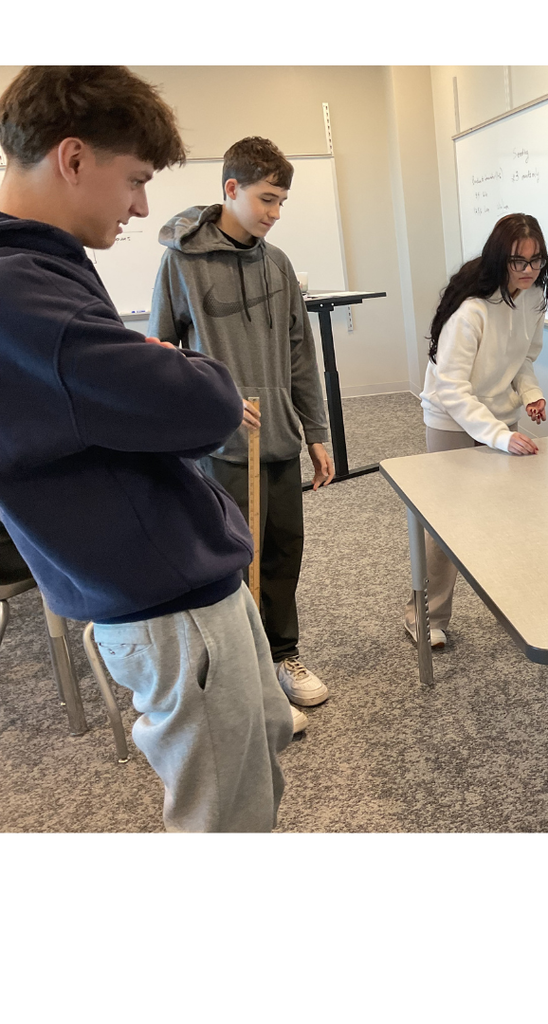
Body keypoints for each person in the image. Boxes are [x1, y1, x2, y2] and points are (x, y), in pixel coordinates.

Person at [0, 66, 293, 832]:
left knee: (257, 755)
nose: (141, 205)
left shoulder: (45, 270)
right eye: (132, 180)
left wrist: (160, 366)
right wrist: (185, 369)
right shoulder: (21, 292)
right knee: (223, 817)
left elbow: (148, 384)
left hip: (175, 583)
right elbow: (201, 401)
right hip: (165, 606)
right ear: (72, 159)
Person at [148, 136, 333, 714]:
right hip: (219, 450)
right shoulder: (181, 261)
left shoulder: (277, 264)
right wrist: (213, 400)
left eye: (282, 202)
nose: (275, 214)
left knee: (283, 552)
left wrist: (319, 432)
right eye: (266, 199)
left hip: (278, 439)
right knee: (234, 562)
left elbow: (300, 354)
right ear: (231, 189)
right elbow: (160, 355)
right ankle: (240, 673)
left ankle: (282, 654)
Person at [403, 213, 548, 648]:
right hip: (451, 416)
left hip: (498, 415)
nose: (528, 271)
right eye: (517, 262)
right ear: (498, 260)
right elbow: (451, 388)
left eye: (535, 261)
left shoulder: (534, 299)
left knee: (505, 513)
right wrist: (500, 436)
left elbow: (521, 359)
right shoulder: (471, 311)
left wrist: (530, 394)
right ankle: (423, 616)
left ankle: (518, 605)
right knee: (448, 522)